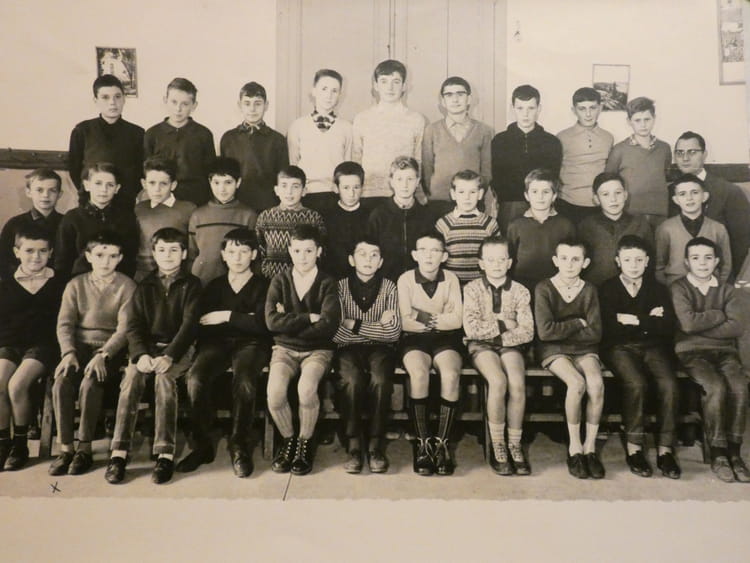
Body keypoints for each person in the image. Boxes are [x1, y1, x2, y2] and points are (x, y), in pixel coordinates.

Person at [105, 228, 201, 485]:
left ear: (184, 254)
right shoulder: (144, 285)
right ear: (153, 254)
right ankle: (119, 453)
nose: (167, 255)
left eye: (174, 250)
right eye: (161, 250)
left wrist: (170, 356)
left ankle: (164, 454)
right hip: (147, 349)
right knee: (131, 380)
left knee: (164, 381)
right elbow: (134, 325)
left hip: (179, 349)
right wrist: (140, 355)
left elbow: (189, 326)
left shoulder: (192, 285)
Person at [177, 228, 271, 478]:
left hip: (252, 344)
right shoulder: (214, 286)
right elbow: (204, 323)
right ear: (223, 255)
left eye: (244, 252)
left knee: (245, 381)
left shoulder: (264, 285)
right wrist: (245, 318)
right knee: (195, 378)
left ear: (253, 255)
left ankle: (239, 445)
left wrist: (227, 316)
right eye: (232, 252)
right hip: (216, 343)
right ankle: (202, 446)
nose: (237, 258)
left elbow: (263, 324)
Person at [49, 231, 136, 476]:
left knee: (90, 383)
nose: (105, 261)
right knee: (61, 382)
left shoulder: (127, 286)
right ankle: (66, 448)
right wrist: (68, 352)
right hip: (78, 348)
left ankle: (84, 448)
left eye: (112, 256)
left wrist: (103, 354)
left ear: (120, 258)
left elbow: (124, 329)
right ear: (88, 256)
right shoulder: (75, 285)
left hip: (110, 349)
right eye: (99, 255)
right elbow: (65, 324)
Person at [599, 235, 681, 479]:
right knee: (636, 383)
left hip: (653, 346)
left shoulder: (658, 289)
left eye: (638, 260)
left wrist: (631, 320)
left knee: (669, 384)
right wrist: (648, 320)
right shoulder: (607, 289)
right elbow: (609, 328)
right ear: (618, 261)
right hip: (619, 347)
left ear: (647, 261)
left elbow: (666, 326)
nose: (633, 265)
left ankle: (665, 450)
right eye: (627, 260)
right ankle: (634, 447)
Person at [670, 237, 749, 483]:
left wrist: (699, 325)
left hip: (725, 352)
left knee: (740, 387)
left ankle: (734, 452)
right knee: (715, 387)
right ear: (687, 262)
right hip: (691, 352)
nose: (702, 263)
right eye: (695, 258)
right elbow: (687, 324)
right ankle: (718, 453)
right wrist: (718, 315)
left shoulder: (728, 290)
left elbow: (736, 327)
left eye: (708, 258)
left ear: (716, 261)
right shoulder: (679, 288)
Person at [265, 225, 341, 476]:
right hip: (284, 350)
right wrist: (308, 317)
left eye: (309, 251)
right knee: (275, 393)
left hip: (318, 350)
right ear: (289, 251)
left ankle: (305, 443)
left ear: (319, 251)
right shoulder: (280, 280)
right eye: (297, 251)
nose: (303, 257)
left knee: (306, 389)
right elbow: (271, 321)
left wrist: (289, 323)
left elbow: (328, 325)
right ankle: (289, 440)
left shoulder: (328, 282)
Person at [463, 235, 533, 475]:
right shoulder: (472, 289)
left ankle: (514, 444)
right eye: (490, 260)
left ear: (509, 262)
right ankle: (497, 444)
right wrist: (505, 323)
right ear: (481, 263)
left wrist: (496, 335)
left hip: (511, 346)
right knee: (497, 381)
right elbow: (472, 329)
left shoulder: (520, 291)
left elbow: (527, 331)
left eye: (501, 259)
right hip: (480, 346)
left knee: (517, 384)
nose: (496, 264)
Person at [535, 239, 604, 479]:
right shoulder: (544, 288)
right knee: (577, 384)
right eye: (564, 258)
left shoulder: (589, 289)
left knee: (596, 384)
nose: (569, 264)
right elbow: (545, 332)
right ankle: (575, 448)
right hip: (553, 349)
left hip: (585, 348)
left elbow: (595, 332)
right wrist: (578, 323)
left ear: (585, 263)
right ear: (555, 261)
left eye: (576, 259)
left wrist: (562, 329)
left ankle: (590, 448)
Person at [333, 237, 401, 473]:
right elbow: (336, 332)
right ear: (351, 260)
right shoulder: (339, 287)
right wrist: (377, 327)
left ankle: (375, 445)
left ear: (380, 262)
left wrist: (354, 324)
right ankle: (353, 444)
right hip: (347, 350)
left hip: (381, 350)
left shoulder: (390, 287)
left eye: (374, 255)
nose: (368, 259)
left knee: (380, 380)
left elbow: (393, 333)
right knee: (351, 381)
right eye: (362, 254)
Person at [398, 231, 463, 476]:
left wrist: (420, 314)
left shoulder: (451, 279)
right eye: (423, 250)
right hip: (413, 338)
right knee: (418, 374)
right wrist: (439, 318)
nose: (429, 256)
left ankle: (442, 444)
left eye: (435, 250)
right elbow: (404, 320)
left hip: (446, 338)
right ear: (415, 255)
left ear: (444, 256)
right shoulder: (405, 279)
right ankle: (423, 443)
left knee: (451, 375)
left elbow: (457, 320)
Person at [0, 226, 64, 470]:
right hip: (10, 344)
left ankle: (20, 444)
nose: (36, 257)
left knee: (17, 384)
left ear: (50, 253)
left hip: (44, 346)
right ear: (17, 252)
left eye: (42, 251)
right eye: (29, 251)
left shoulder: (60, 282)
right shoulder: (5, 284)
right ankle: (3, 442)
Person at [673, 131, 750, 278]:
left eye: (692, 152)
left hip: (716, 278)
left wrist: (725, 277)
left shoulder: (728, 191)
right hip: (679, 280)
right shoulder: (671, 192)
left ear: (704, 154)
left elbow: (741, 242)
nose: (685, 158)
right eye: (679, 152)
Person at [352, 59, 427, 209]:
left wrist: (418, 192)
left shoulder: (416, 119)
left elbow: (418, 159)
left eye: (396, 82)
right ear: (375, 85)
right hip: (369, 194)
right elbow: (356, 158)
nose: (390, 87)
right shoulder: (362, 119)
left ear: (404, 86)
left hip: (404, 194)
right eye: (384, 81)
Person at [491, 84, 562, 232]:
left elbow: (553, 177)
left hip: (542, 204)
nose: (525, 114)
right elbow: (496, 176)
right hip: (510, 205)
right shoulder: (500, 141)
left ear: (539, 109)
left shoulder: (551, 142)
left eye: (531, 108)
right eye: (520, 108)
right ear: (512, 109)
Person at [68, 74, 144, 209]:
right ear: (95, 100)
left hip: (125, 203)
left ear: (124, 99)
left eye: (117, 96)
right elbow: (74, 168)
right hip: (91, 202)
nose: (112, 102)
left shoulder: (137, 133)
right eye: (105, 97)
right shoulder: (82, 130)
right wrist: (89, 192)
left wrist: (130, 192)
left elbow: (141, 170)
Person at [54, 162, 138, 281]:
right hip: (80, 281)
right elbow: (62, 261)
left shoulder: (126, 218)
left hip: (117, 282)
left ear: (117, 188)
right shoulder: (73, 218)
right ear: (87, 185)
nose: (104, 189)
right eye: (98, 183)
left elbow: (130, 257)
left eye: (110, 185)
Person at [422, 76, 494, 216]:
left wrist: (475, 195)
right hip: (439, 202)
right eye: (449, 95)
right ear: (443, 101)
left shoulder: (484, 131)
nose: (455, 100)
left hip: (472, 203)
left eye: (460, 94)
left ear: (469, 99)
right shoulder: (432, 130)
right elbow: (426, 168)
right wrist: (433, 193)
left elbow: (486, 171)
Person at [287, 69, 352, 214]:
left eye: (334, 91)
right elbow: (293, 164)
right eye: (324, 89)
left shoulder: (347, 127)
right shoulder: (298, 126)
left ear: (340, 95)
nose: (329, 95)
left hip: (335, 195)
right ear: (314, 91)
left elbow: (347, 166)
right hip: (306, 195)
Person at [143, 77, 216, 206]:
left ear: (194, 105)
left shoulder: (204, 134)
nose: (178, 109)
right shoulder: (152, 134)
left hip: (196, 200)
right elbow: (147, 172)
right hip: (162, 200)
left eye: (185, 104)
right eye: (174, 102)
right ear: (165, 101)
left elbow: (211, 173)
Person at [188, 156, 258, 286]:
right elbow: (191, 255)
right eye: (216, 183)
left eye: (228, 182)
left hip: (236, 283)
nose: (222, 189)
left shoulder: (248, 215)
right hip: (202, 282)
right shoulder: (198, 215)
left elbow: (254, 256)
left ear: (238, 183)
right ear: (210, 182)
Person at [221, 81, 289, 212]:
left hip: (268, 204)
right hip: (236, 205)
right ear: (239, 105)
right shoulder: (228, 138)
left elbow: (283, 177)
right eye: (247, 103)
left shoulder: (277, 139)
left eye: (257, 104)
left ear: (266, 105)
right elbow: (224, 176)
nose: (252, 109)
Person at [366, 156, 435, 282]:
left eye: (410, 179)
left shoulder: (426, 216)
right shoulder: (379, 215)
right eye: (399, 179)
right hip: (386, 283)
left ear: (418, 182)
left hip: (418, 283)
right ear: (391, 182)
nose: (405, 185)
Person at [604, 97, 671, 225]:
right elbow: (609, 180)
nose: (643, 125)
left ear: (654, 119)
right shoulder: (619, 150)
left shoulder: (664, 148)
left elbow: (666, 175)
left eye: (647, 119)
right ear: (629, 121)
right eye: (637, 120)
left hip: (659, 213)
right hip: (630, 213)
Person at [577, 172, 653, 286]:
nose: (613, 199)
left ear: (625, 195)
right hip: (597, 289)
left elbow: (651, 261)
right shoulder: (586, 226)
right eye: (605, 194)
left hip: (633, 290)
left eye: (618, 193)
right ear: (596, 199)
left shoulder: (640, 224)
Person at [506, 168, 575, 292]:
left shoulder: (565, 225)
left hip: (555, 286)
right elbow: (509, 258)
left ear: (554, 196)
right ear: (526, 196)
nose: (540, 197)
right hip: (522, 285)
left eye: (546, 192)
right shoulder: (516, 225)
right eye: (534, 192)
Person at [655, 174, 732, 285]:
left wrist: (717, 286)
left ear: (704, 196)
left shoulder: (718, 228)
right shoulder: (665, 228)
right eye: (682, 194)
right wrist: (668, 288)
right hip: (675, 287)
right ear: (676, 200)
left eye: (694, 192)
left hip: (709, 287)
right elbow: (659, 266)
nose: (689, 198)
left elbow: (726, 265)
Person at [255, 166, 327, 280]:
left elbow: (321, 253)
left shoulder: (313, 218)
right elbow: (259, 252)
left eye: (295, 186)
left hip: (306, 281)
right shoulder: (265, 217)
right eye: (284, 186)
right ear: (276, 190)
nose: (289, 192)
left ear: (304, 191)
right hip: (271, 281)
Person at [556, 87, 614, 224]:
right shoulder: (562, 137)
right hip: (568, 204)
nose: (588, 114)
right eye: (582, 109)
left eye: (592, 108)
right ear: (574, 110)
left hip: (599, 205)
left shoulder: (608, 137)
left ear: (600, 108)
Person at [134, 157, 196, 281]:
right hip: (143, 275)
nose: (157, 189)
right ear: (144, 184)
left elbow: (193, 249)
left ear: (173, 185)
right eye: (152, 183)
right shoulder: (139, 209)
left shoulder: (188, 209)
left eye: (163, 183)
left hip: (177, 275)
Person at [435, 170, 500, 285]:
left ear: (480, 194)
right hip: (452, 287)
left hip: (482, 287)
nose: (467, 197)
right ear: (453, 194)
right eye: (461, 192)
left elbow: (497, 257)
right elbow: (437, 259)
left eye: (472, 192)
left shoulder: (489, 224)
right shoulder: (444, 224)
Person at [0, 168, 63, 281]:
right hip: (21, 283)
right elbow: (3, 260)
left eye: (52, 190)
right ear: (28, 192)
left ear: (59, 194)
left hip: (59, 284)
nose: (45, 195)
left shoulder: (67, 223)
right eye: (39, 190)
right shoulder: (14, 224)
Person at [321, 161, 371, 281]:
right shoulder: (326, 216)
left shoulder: (370, 216)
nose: (351, 193)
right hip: (332, 279)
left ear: (362, 188)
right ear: (336, 188)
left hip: (362, 279)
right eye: (346, 188)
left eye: (356, 187)